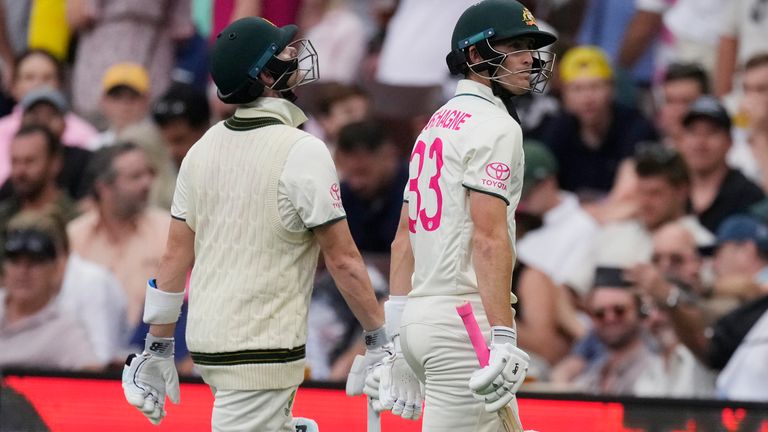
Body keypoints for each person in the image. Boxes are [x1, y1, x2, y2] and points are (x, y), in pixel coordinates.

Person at [121, 17, 386, 430]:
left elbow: (174, 256)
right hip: (261, 349)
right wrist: (379, 336)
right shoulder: (302, 150)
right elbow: (344, 259)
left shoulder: (201, 149)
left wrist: (157, 344)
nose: (295, 54)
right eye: (283, 51)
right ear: (265, 74)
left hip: (210, 343)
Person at [369, 1, 557, 429]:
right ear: (476, 56)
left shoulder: (433, 124)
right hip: (463, 325)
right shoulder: (496, 126)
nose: (529, 57)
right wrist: (504, 334)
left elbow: (404, 237)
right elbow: (488, 238)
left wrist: (399, 337)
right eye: (514, 46)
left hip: (423, 317)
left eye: (530, 46)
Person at [0, 211, 101, 371]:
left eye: (35, 262)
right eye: (15, 260)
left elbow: (93, 378)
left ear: (56, 268)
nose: (23, 271)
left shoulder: (65, 330)